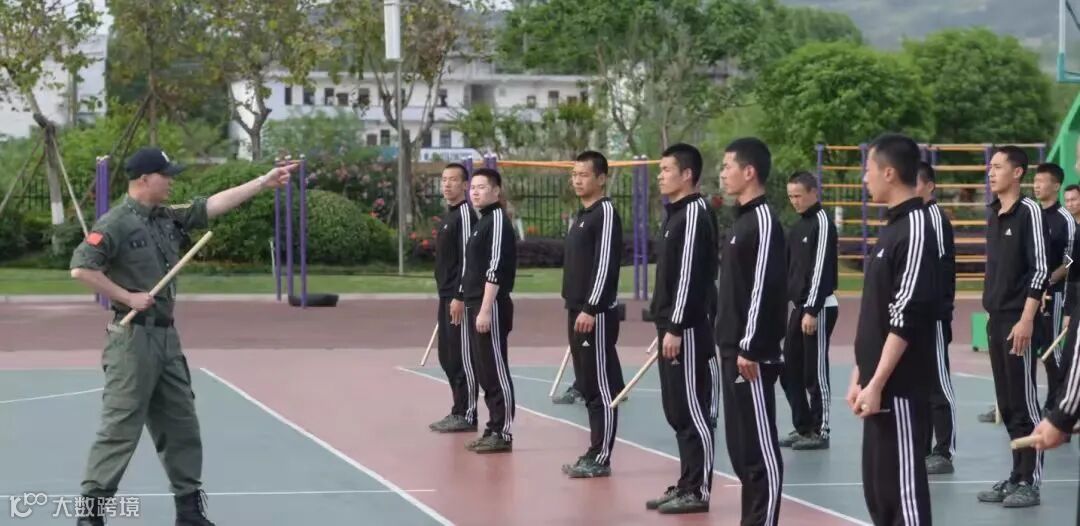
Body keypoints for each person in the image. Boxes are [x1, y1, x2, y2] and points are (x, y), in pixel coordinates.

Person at [69, 147, 299, 526]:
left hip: (166, 339)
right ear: (145, 179)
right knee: (120, 428)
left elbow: (212, 205)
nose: (171, 181)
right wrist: (127, 296)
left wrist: (263, 182)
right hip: (132, 341)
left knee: (181, 425)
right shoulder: (115, 223)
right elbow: (81, 268)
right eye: (166, 175)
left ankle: (189, 512)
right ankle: (91, 515)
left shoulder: (166, 217)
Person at [847, 133, 938, 525]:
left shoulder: (916, 228)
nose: (864, 177)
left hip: (899, 387)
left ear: (889, 172)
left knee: (904, 495)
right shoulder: (891, 228)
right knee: (880, 492)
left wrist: (878, 381)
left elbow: (905, 317)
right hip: (878, 385)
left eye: (868, 169)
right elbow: (877, 314)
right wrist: (860, 375)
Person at [645, 143, 719, 515]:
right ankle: (687, 481)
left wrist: (675, 326)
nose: (660, 176)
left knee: (692, 409)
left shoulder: (694, 213)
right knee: (676, 410)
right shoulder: (674, 214)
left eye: (666, 169)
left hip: (688, 329)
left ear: (687, 174)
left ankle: (698, 489)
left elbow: (690, 276)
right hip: (671, 325)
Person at [716, 138, 787, 525]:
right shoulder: (740, 221)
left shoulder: (763, 221)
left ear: (749, 171)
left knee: (760, 451)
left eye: (728, 166)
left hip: (751, 355)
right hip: (731, 347)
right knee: (741, 450)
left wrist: (750, 345)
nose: (723, 173)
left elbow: (764, 287)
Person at [977, 145, 1047, 508]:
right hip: (997, 318)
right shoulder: (993, 213)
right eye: (990, 167)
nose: (991, 173)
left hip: (1019, 319)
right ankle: (1016, 475)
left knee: (1024, 403)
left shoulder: (1029, 211)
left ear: (1017, 172)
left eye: (998, 167)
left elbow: (1039, 270)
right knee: (1006, 403)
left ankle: (1031, 481)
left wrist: (1026, 318)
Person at [559, 150, 626, 478]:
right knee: (587, 384)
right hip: (576, 309)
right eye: (574, 175)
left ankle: (601, 455)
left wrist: (591, 307)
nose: (577, 180)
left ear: (601, 178)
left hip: (593, 314)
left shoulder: (606, 213)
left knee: (600, 387)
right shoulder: (583, 215)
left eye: (583, 175)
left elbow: (606, 264)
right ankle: (594, 448)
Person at [779, 170, 838, 451]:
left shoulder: (823, 223)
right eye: (791, 197)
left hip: (820, 307)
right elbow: (789, 269)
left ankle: (820, 430)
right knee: (788, 369)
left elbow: (821, 270)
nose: (795, 201)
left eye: (799, 196)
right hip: (800, 307)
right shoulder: (797, 227)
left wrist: (812, 310)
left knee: (815, 371)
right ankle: (803, 427)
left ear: (814, 192)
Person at [461, 167, 518, 454]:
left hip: (490, 305)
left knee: (495, 369)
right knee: (484, 370)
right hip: (474, 302)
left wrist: (485, 310)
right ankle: (492, 427)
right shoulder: (481, 221)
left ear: (496, 191)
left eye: (482, 187)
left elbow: (494, 268)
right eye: (473, 187)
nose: (475, 192)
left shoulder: (496, 221)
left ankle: (502, 431)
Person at [429, 163, 479, 433]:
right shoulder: (449, 216)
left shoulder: (465, 215)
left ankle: (467, 413)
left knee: (460, 356)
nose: (447, 185)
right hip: (445, 295)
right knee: (446, 356)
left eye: (453, 180)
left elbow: (468, 259)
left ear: (465, 185)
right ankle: (458, 409)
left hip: (458, 298)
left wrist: (460, 295)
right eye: (444, 180)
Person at [916, 161, 959, 475]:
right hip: (916, 317)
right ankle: (923, 446)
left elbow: (944, 267)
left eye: (915, 182)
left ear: (930, 185)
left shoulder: (935, 218)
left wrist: (941, 311)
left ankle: (944, 450)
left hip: (933, 316)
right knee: (920, 384)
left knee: (938, 383)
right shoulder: (914, 218)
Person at [1034, 163, 1075, 415]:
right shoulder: (1032, 214)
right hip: (1032, 294)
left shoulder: (1065, 219)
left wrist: (1047, 280)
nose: (1036, 185)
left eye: (1042, 181)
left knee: (1053, 351)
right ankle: (1026, 405)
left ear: (1056, 186)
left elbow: (1070, 261)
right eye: (1035, 181)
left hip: (1055, 294)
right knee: (1025, 350)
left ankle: (1059, 406)